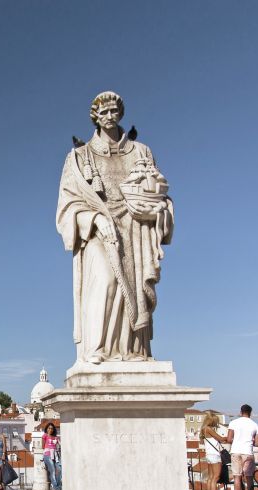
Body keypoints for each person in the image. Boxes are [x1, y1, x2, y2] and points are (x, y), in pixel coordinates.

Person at [56, 91, 174, 364]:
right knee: (107, 280)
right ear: (95, 117)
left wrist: (157, 207)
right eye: (104, 112)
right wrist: (95, 220)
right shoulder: (79, 156)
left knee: (133, 287)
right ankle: (97, 348)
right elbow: (67, 205)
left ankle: (133, 350)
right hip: (97, 229)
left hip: (135, 227)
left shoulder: (141, 152)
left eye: (114, 111)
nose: (110, 116)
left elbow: (159, 190)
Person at [226, 404, 258, 490]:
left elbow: (229, 439)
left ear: (240, 412)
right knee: (249, 477)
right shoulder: (255, 425)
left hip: (235, 451)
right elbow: (257, 443)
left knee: (237, 476)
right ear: (250, 413)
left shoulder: (233, 423)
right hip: (247, 452)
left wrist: (237, 441)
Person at [200, 412, 228, 490]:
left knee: (211, 478)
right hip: (215, 455)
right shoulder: (209, 429)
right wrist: (229, 438)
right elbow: (220, 439)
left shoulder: (203, 429)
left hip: (209, 454)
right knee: (215, 478)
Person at [43, 423, 62, 490]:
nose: (50, 430)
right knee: (53, 470)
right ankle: (55, 487)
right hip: (47, 455)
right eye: (49, 428)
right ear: (47, 429)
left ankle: (59, 487)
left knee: (59, 470)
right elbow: (43, 446)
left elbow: (60, 445)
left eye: (51, 428)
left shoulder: (55, 437)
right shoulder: (45, 436)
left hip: (55, 455)